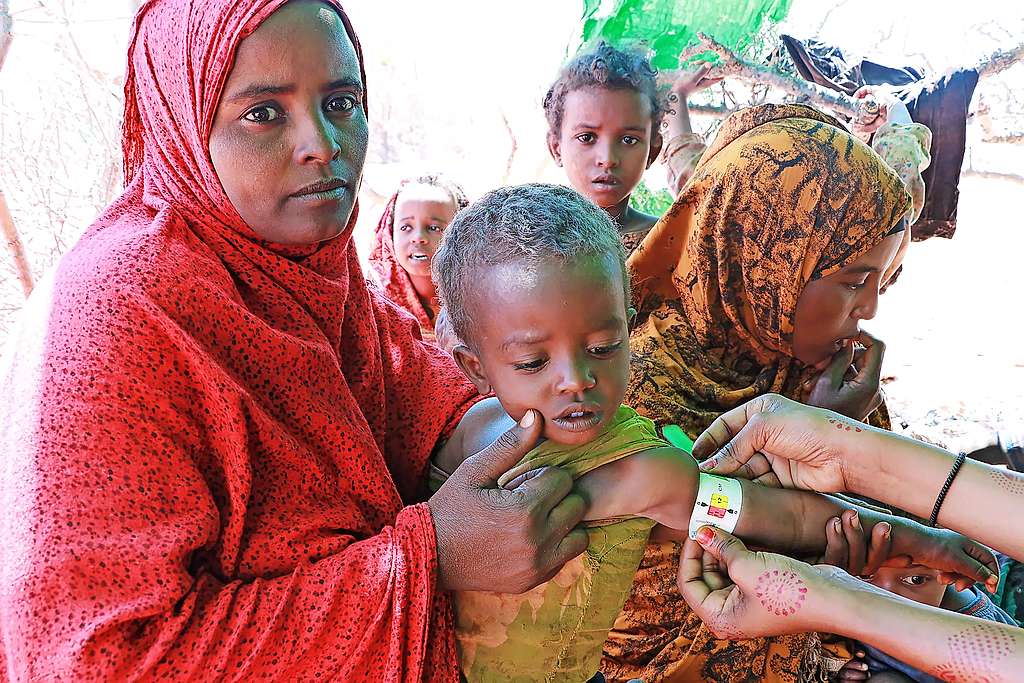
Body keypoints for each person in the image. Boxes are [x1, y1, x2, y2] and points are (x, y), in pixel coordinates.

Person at [0, 1, 590, 678]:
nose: (323, 143)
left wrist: (551, 422)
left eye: (342, 101)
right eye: (264, 113)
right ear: (183, 126)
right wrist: (431, 558)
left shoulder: (309, 275)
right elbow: (100, 661)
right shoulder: (117, 317)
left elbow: (433, 411)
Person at [428, 183, 995, 683]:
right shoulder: (459, 445)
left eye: (604, 348)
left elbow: (787, 516)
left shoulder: (646, 470)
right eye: (531, 363)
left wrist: (918, 539)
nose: (577, 380)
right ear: (474, 366)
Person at [601, 102, 916, 683]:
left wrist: (848, 447)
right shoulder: (628, 389)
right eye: (852, 282)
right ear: (765, 262)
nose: (869, 309)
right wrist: (818, 447)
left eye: (881, 281)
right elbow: (634, 622)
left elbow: (892, 529)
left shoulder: (820, 372)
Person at [680, 394, 1024, 682]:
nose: (887, 592)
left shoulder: (975, 620)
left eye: (916, 578)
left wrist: (835, 604)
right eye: (867, 577)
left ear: (954, 578)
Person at [542, 41, 665, 255]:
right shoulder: (535, 242)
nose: (607, 159)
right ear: (556, 147)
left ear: (652, 152)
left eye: (628, 140)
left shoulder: (670, 237)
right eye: (587, 137)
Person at [834, 559, 1016, 681]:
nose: (886, 597)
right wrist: (845, 668)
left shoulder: (973, 638)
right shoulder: (833, 592)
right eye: (865, 576)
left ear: (953, 573)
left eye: (915, 579)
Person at [367, 174, 469, 343]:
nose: (419, 237)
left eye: (434, 228)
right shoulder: (372, 304)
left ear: (461, 234)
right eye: (406, 227)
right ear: (390, 233)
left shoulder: (482, 300)